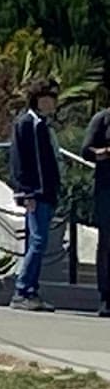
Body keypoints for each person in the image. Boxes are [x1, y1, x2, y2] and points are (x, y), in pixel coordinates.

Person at [9, 79, 61, 311]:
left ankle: (32, 289)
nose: (53, 103)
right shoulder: (28, 123)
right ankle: (22, 290)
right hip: (35, 193)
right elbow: (21, 161)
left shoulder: (43, 125)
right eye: (50, 97)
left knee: (36, 241)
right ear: (39, 99)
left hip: (46, 192)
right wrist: (26, 191)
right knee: (38, 241)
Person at [82, 102, 110, 318]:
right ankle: (106, 297)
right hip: (106, 191)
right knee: (107, 244)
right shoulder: (102, 119)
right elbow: (87, 150)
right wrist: (106, 152)